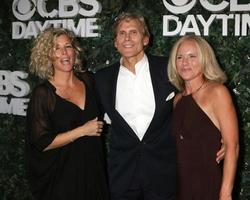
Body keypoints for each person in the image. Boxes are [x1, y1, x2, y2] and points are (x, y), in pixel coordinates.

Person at [94, 12, 177, 200]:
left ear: (145, 39)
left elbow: (193, 100)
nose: (127, 38)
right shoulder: (102, 78)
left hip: (163, 173)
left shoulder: (168, 69)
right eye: (121, 33)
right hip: (123, 174)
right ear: (115, 42)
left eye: (133, 32)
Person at [25, 27, 109, 200]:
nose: (64, 52)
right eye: (57, 48)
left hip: (93, 169)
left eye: (68, 46)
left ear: (74, 51)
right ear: (48, 56)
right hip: (62, 175)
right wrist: (82, 131)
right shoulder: (43, 94)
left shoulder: (89, 80)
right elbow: (42, 142)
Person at [168, 35, 239, 200]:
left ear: (205, 60)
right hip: (180, 187)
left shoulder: (217, 92)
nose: (185, 62)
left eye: (192, 56)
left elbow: (232, 146)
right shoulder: (177, 100)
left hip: (209, 185)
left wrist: (225, 194)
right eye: (180, 57)